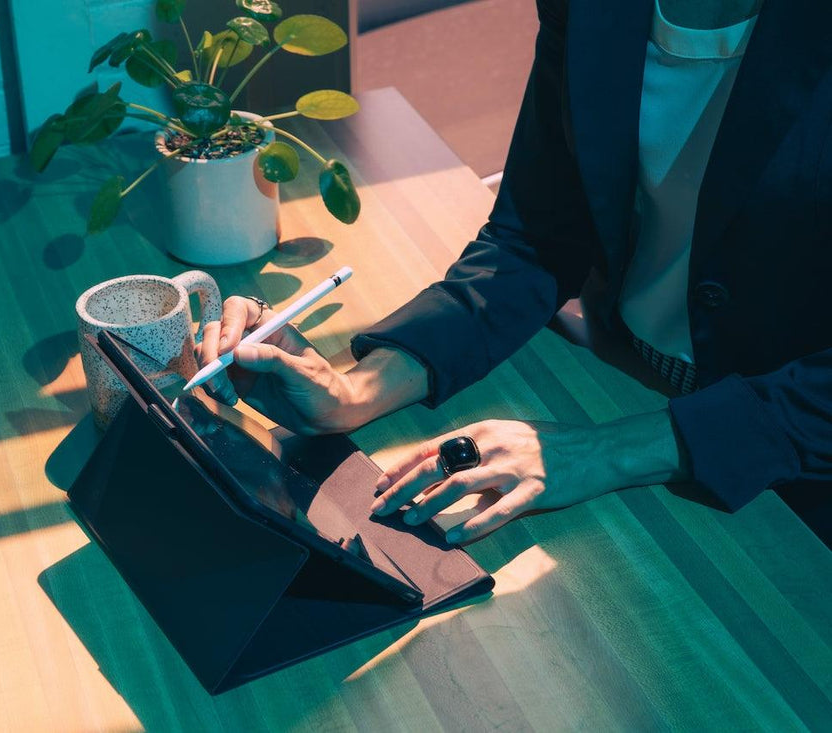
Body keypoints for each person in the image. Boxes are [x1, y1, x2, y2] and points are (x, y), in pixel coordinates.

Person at [196, 0, 832, 545]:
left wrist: (608, 450)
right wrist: (358, 392)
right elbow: (538, 231)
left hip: (796, 447)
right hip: (633, 373)